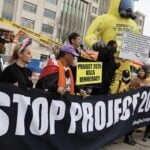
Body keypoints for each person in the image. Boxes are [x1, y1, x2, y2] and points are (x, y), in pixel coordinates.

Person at [129, 67, 150, 142]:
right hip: (136, 104)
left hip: (145, 105)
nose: (141, 72)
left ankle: (146, 134)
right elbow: (130, 90)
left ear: (145, 72)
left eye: (143, 71)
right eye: (140, 71)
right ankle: (128, 137)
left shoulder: (147, 81)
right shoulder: (134, 80)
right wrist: (138, 88)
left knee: (146, 118)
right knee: (133, 120)